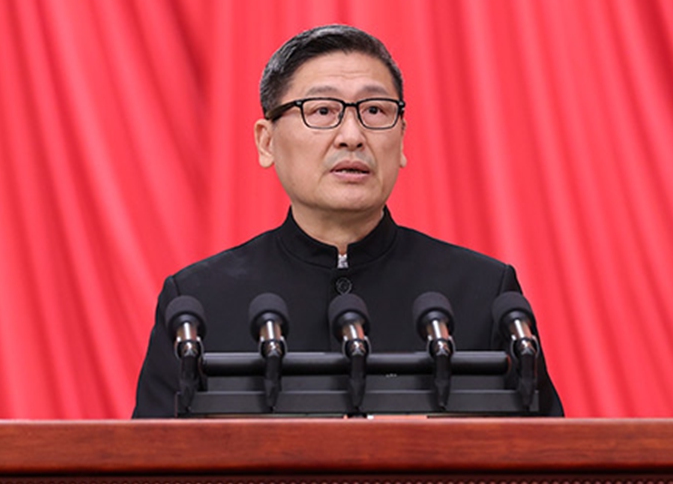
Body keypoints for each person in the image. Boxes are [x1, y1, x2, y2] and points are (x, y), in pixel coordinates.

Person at [133, 24, 561, 417]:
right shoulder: (198, 301)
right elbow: (150, 482)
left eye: (375, 111)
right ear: (267, 142)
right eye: (322, 111)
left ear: (402, 138)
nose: (352, 135)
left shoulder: (482, 292)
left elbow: (550, 475)